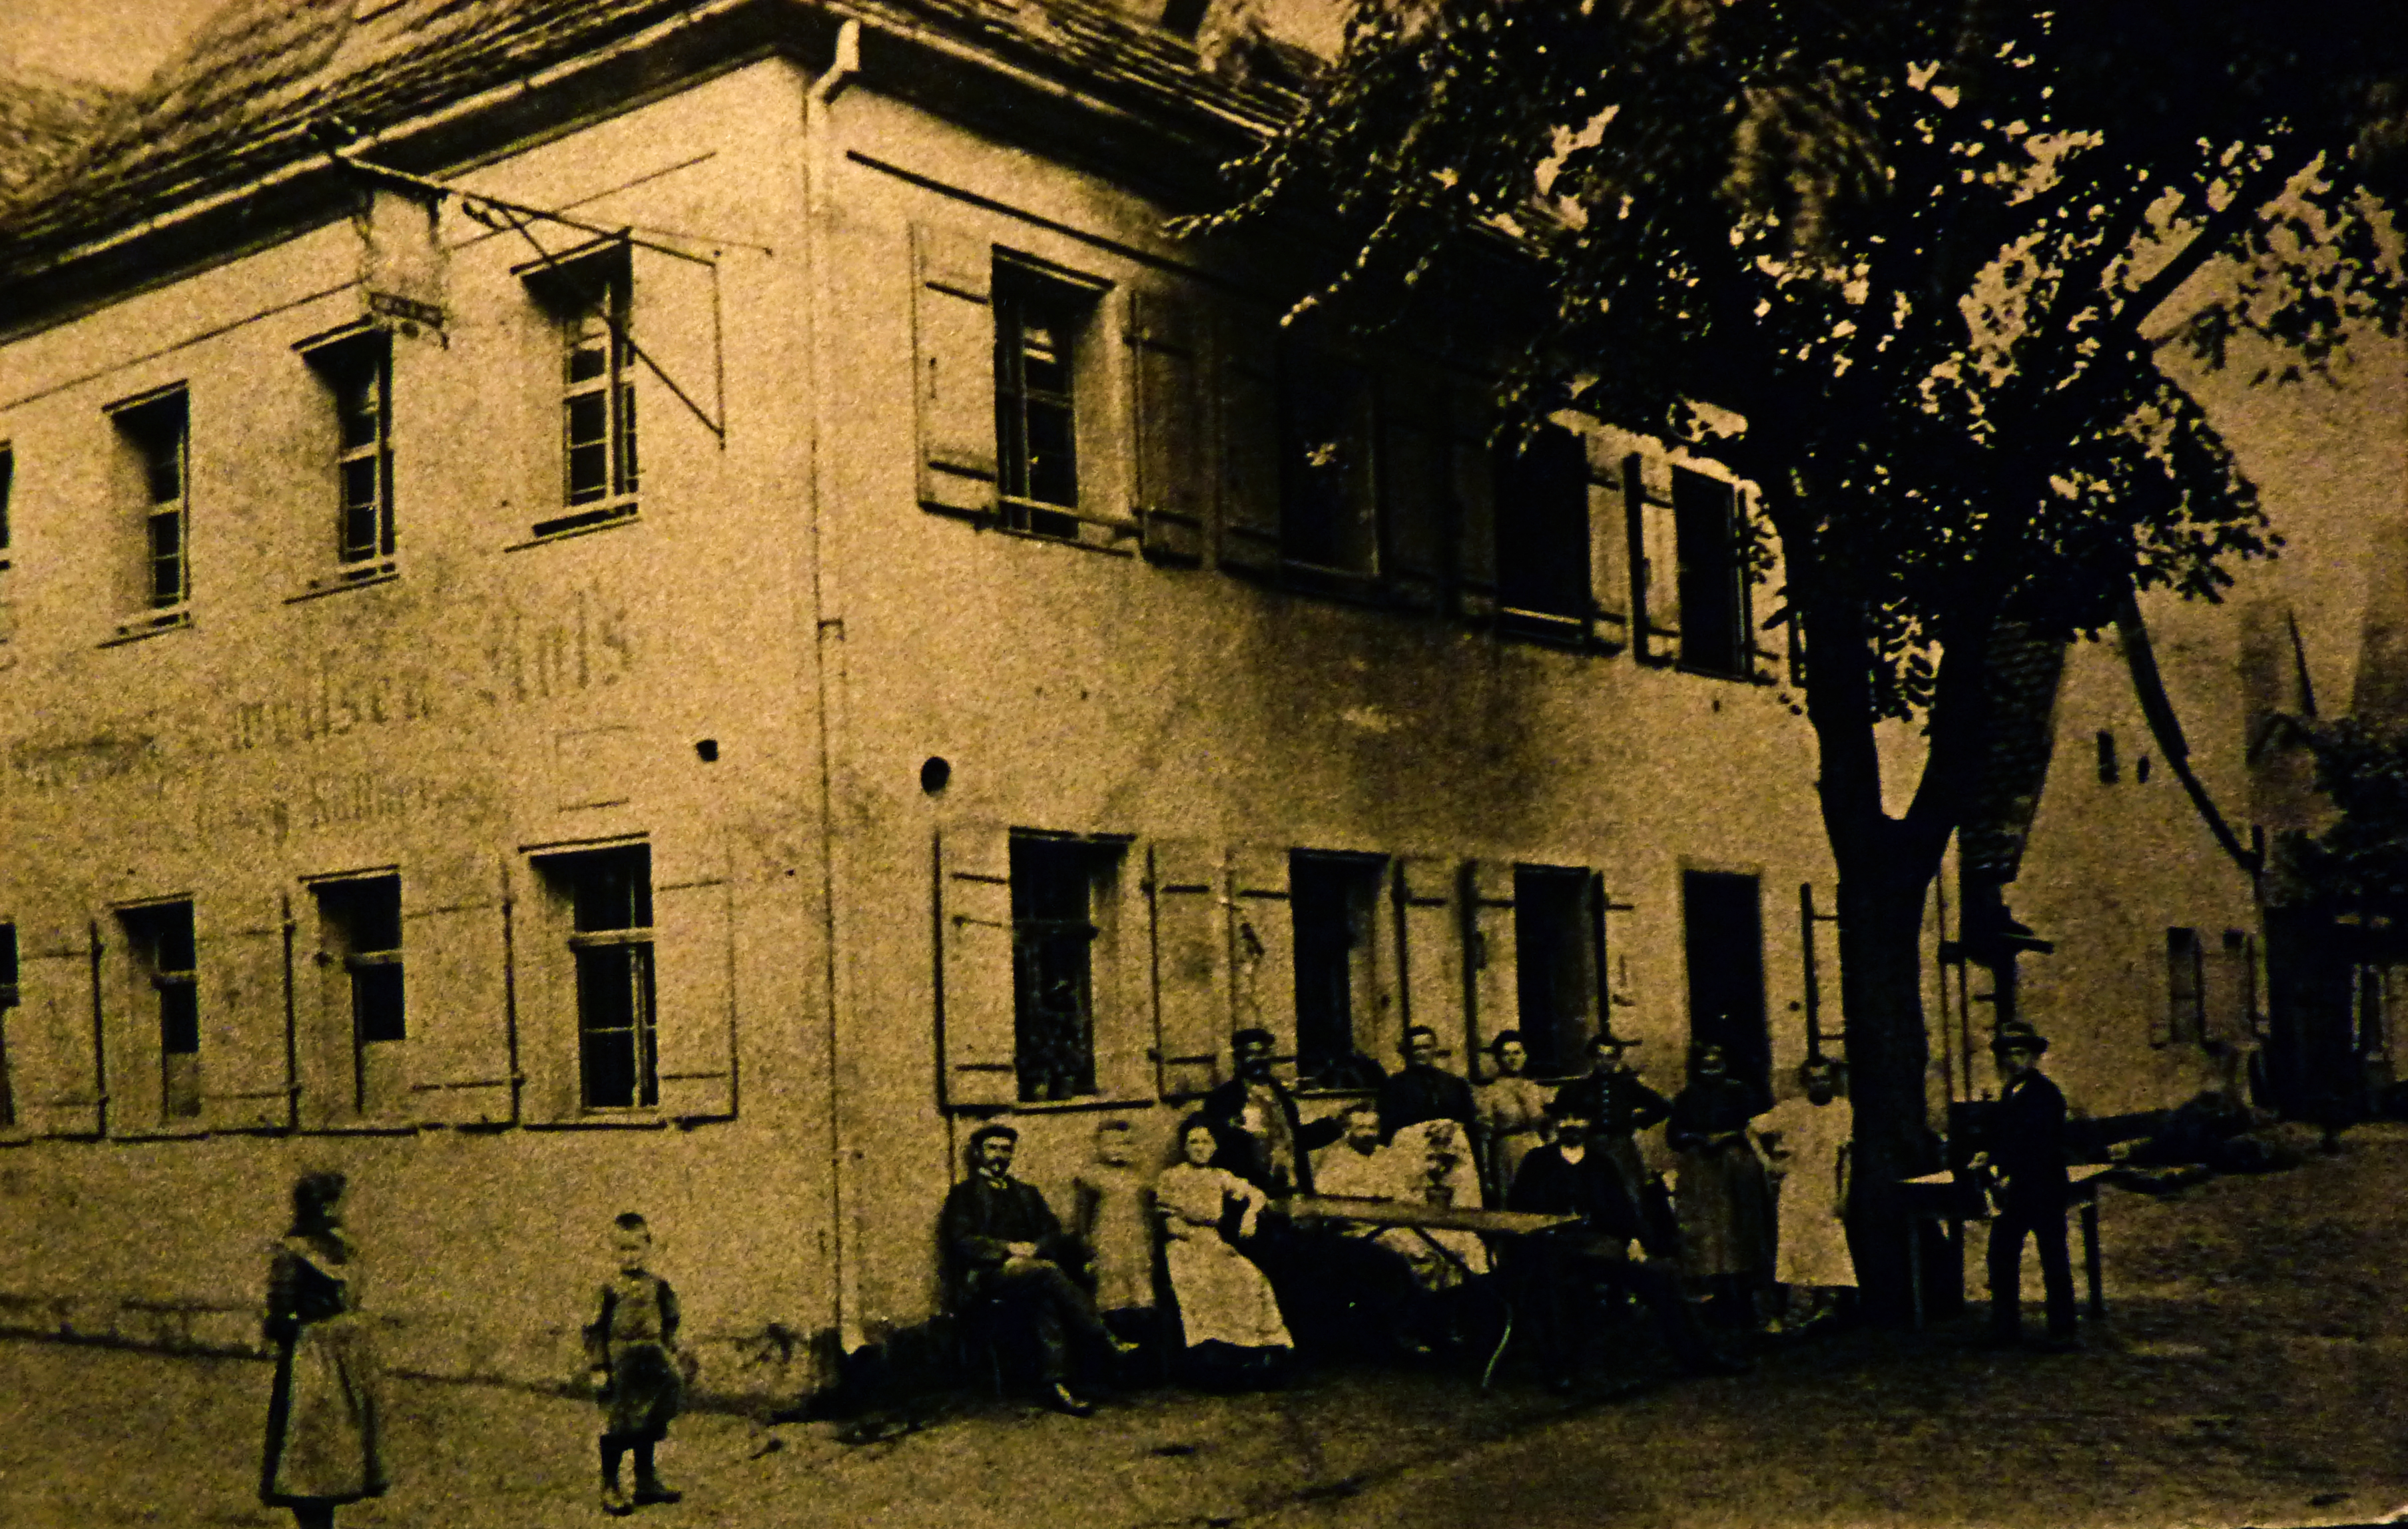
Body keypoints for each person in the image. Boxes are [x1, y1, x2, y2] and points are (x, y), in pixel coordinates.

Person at [1506, 1101, 1747, 1390]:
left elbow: (1622, 1210)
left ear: (1589, 1123)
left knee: (1661, 1280)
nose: (1570, 1124)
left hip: (1598, 1247)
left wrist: (1633, 1241)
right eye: (1564, 1118)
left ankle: (1699, 1357)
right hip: (1552, 1246)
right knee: (1552, 1284)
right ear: (1555, 1124)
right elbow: (1518, 1210)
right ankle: (1560, 1369)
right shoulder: (1537, 1162)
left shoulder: (1602, 1164)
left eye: (1578, 1117)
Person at [939, 1123, 1135, 1415]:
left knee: (1046, 1295)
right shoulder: (964, 1195)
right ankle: (1104, 1338)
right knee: (1047, 1273)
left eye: (1006, 1149)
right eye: (992, 1148)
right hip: (987, 1277)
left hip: (1032, 1272)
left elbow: (1053, 1232)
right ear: (978, 1153)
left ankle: (1057, 1386)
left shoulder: (1026, 1193)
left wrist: (1035, 1248)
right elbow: (961, 1240)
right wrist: (1007, 1251)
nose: (999, 1155)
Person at [260, 1171, 386, 1529]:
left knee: (311, 1441)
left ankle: (316, 1518)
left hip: (313, 1356)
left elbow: (279, 1316)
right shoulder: (342, 1248)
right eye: (329, 1203)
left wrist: (282, 1329)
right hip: (345, 1353)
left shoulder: (296, 1252)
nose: (334, 1210)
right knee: (330, 1439)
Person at [1155, 1115, 1295, 1386]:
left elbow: (1257, 1194)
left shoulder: (1219, 1176)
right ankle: (1212, 1357)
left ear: (1215, 1146)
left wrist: (1250, 1216)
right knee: (1204, 1283)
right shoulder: (1171, 1176)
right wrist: (1196, 1240)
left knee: (1251, 1277)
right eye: (1194, 1142)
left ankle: (1253, 1351)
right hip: (1184, 1244)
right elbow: (1169, 1221)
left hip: (1214, 1241)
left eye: (1206, 1142)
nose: (1200, 1148)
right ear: (1184, 1147)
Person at [1978, 1026, 2078, 1349]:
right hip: (2018, 1191)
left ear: (2035, 1057)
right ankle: (2005, 1328)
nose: (2014, 1060)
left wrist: (2013, 1174)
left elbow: (2041, 1145)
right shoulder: (2011, 1092)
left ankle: (2062, 1330)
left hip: (2043, 1187)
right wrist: (1990, 1156)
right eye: (2008, 1054)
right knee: (2001, 1255)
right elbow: (2007, 1139)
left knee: (2053, 1258)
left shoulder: (2046, 1095)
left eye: (2021, 1053)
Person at [584, 1213, 686, 1516]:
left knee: (651, 1419)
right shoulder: (609, 1289)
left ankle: (646, 1481)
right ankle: (610, 1484)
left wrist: (672, 1350)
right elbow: (594, 1330)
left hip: (652, 1362)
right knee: (620, 1424)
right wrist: (599, 1367)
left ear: (648, 1247)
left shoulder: (658, 1286)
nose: (629, 1256)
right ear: (613, 1250)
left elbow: (671, 1319)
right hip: (622, 1364)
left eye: (635, 1249)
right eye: (622, 1249)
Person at [1669, 1042, 1776, 1327]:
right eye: (1706, 1066)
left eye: (1716, 1065)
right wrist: (1697, 1138)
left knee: (1739, 1229)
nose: (1711, 1072)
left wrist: (1730, 1137)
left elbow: (1759, 1127)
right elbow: (1674, 1135)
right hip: (1702, 1172)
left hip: (1736, 1167)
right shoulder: (1687, 1096)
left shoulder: (1741, 1092)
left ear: (1726, 1066)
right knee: (1709, 1235)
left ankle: (1747, 1299)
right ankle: (1717, 1302)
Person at [1551, 1031, 1677, 1252]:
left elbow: (1663, 1106)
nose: (1605, 1062)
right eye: (1600, 1056)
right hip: (1593, 1147)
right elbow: (1560, 1111)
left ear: (1617, 1059)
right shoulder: (1580, 1089)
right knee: (1594, 1194)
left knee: (1631, 1195)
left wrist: (1637, 1121)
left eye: (1610, 1057)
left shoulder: (1627, 1086)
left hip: (1621, 1147)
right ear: (1592, 1058)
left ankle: (1638, 1245)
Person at [1760, 1062, 1856, 1331]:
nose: (1819, 1084)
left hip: (1827, 1184)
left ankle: (1828, 1307)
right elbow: (1752, 1129)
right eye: (1813, 1080)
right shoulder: (1792, 1109)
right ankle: (1799, 1308)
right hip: (1796, 1186)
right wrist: (1768, 1163)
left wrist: (1843, 1193)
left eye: (1824, 1079)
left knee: (1829, 1244)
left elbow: (1846, 1156)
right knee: (1797, 1245)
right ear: (1805, 1083)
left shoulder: (1843, 1109)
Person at [1200, 1028, 1346, 1196]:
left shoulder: (1280, 1094)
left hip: (1289, 1186)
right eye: (1250, 1054)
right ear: (1238, 1059)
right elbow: (1219, 1148)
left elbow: (1295, 1138)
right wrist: (1242, 1132)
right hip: (1249, 1190)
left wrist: (1332, 1126)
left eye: (1263, 1053)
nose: (1258, 1060)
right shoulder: (1223, 1099)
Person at [1071, 1118, 1157, 1345]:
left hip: (1137, 1243)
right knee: (1113, 1298)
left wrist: (1151, 1243)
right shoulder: (1092, 1178)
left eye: (1122, 1144)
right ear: (1099, 1146)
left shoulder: (1138, 1178)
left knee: (1141, 1297)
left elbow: (1148, 1213)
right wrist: (1086, 1247)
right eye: (1110, 1144)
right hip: (1107, 1244)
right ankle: (1118, 1345)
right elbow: (1083, 1217)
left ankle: (1142, 1347)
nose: (1116, 1150)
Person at [1473, 1031, 1554, 1204]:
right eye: (1506, 1054)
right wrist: (1486, 1174)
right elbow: (1485, 1137)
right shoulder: (1490, 1093)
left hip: (1536, 1147)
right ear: (1498, 1059)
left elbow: (1548, 1127)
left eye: (1517, 1053)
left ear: (1525, 1055)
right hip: (1508, 1152)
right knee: (1513, 1200)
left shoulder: (1535, 1089)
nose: (1512, 1059)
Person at [1376, 1025, 1478, 1145]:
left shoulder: (1456, 1084)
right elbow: (1388, 1129)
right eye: (1416, 1048)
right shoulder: (1394, 1086)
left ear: (1435, 1048)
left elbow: (1469, 1126)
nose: (1422, 1053)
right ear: (1407, 1051)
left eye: (1426, 1047)